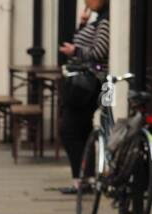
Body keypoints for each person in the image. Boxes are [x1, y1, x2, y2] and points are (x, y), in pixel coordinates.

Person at [58, 0, 111, 193]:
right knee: (81, 130)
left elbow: (100, 51)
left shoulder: (106, 22)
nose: (87, 2)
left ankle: (82, 180)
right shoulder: (98, 20)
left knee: (69, 130)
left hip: (89, 85)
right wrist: (82, 24)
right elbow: (83, 41)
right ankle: (85, 179)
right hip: (84, 83)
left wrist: (75, 51)